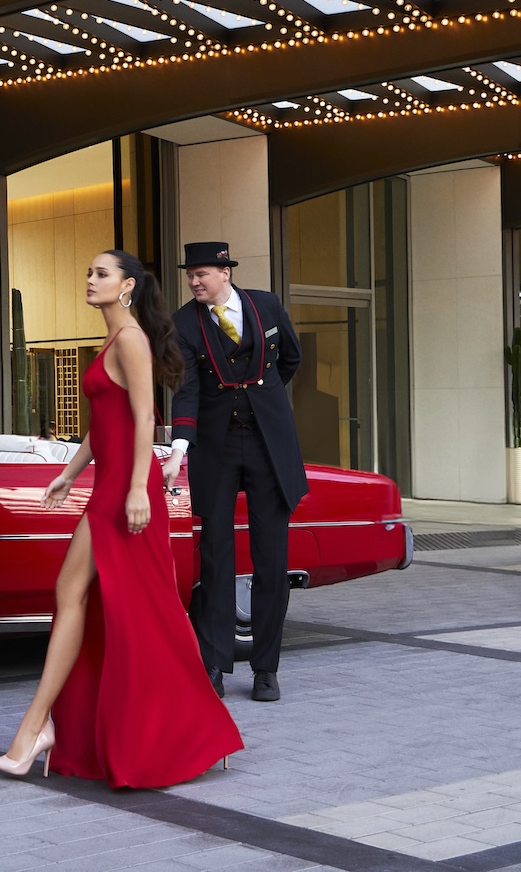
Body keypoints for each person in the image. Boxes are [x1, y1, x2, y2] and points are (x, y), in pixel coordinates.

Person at [0, 250, 244, 786]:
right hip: (108, 486)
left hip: (127, 491)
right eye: (87, 272)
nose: (89, 280)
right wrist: (69, 472)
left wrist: (135, 491)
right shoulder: (113, 340)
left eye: (100, 274)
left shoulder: (129, 340)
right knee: (129, 611)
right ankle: (51, 729)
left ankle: (36, 729)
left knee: (112, 604)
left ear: (126, 286)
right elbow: (103, 424)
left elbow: (145, 419)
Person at [166, 241, 308, 703]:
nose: (193, 281)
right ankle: (213, 665)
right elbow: (186, 387)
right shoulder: (184, 322)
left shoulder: (264, 304)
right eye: (190, 275)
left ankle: (266, 669)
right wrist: (179, 445)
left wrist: (259, 400)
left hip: (269, 444)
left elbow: (290, 358)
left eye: (201, 273)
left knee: (272, 561)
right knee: (216, 558)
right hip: (216, 445)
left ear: (225, 272)